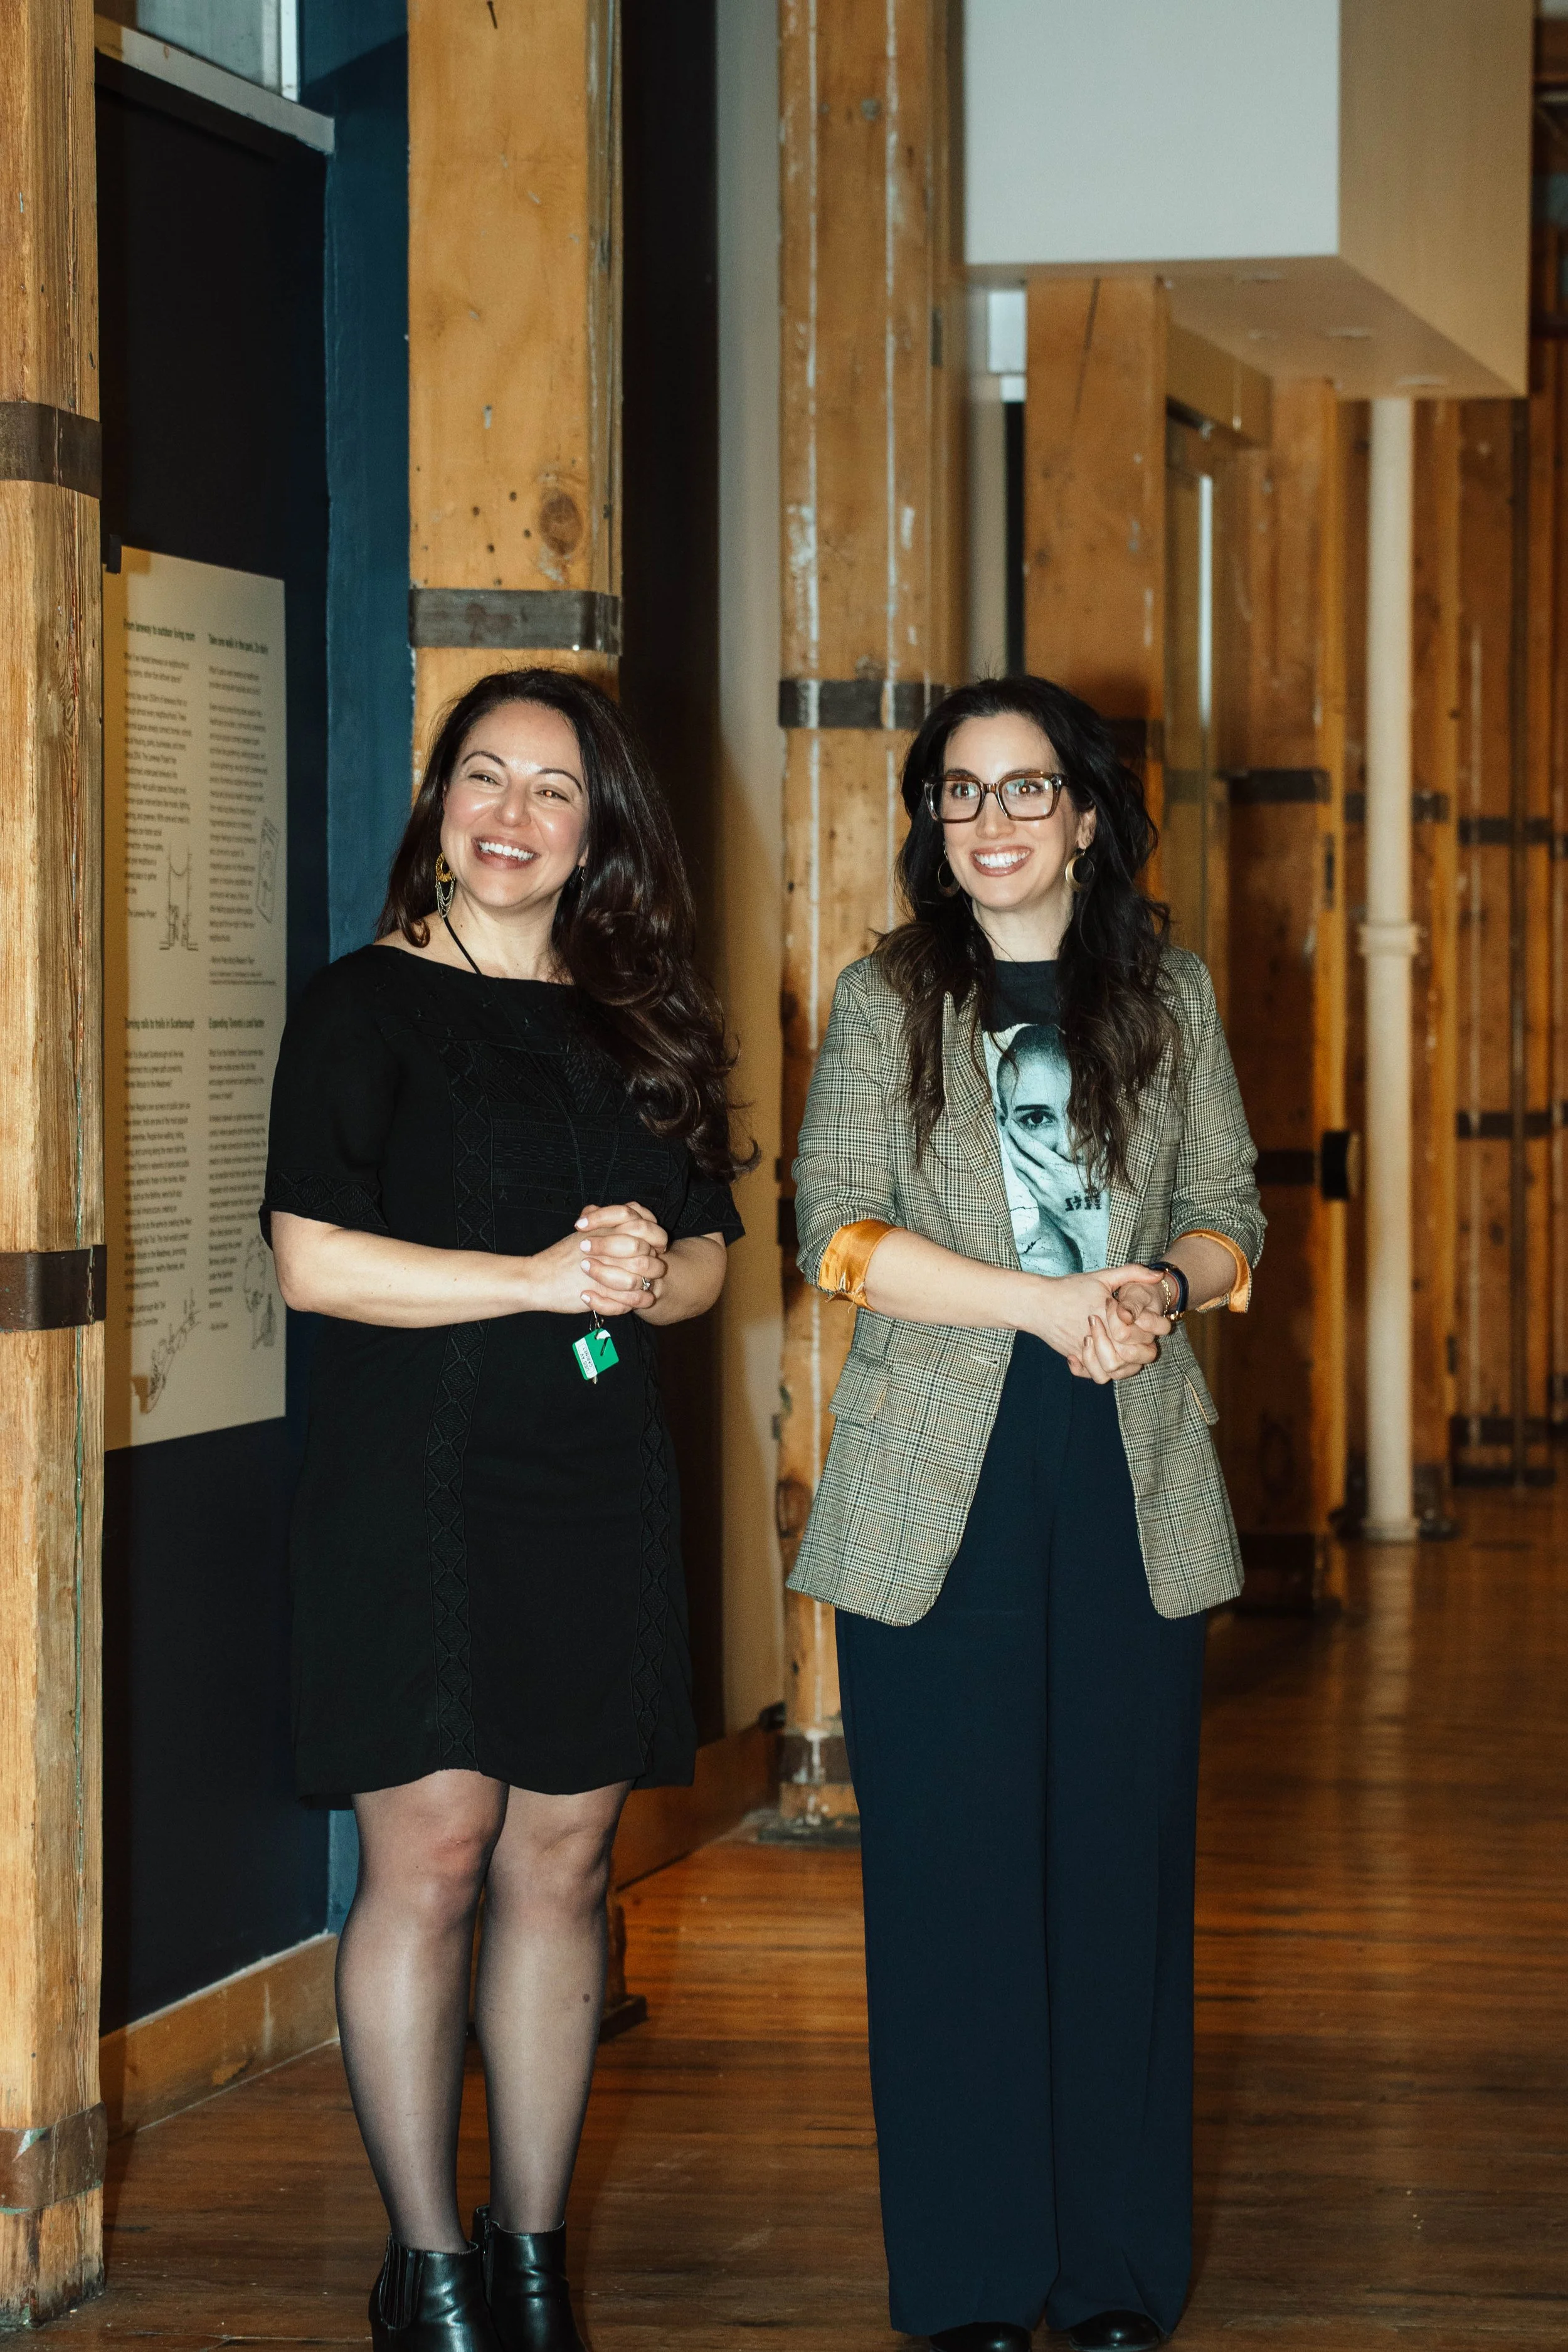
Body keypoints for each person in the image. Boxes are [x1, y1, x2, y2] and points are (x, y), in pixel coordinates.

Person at [262, 668, 749, 2352]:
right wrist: (536, 1276)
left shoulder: (643, 1021)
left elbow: (711, 1255)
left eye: (555, 788)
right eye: (486, 775)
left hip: (591, 1484)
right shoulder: (361, 1005)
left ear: (601, 830)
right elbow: (313, 1261)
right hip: (409, 1484)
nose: (514, 814)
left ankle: (529, 2256)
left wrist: (644, 1271)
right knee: (436, 1856)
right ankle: (432, 2266)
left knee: (564, 1862)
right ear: (440, 801)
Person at [788, 675, 1263, 2352]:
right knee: (951, 1888)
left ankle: (1112, 2275)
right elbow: (834, 1231)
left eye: (1024, 788)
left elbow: (1230, 1205)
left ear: (1086, 815)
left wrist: (1160, 1286)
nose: (989, 820)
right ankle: (975, 2285)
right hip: (941, 1487)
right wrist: (1044, 1303)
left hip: (1129, 1471)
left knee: (1119, 1879)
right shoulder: (886, 998)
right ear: (934, 823)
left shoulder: (1169, 992)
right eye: (959, 792)